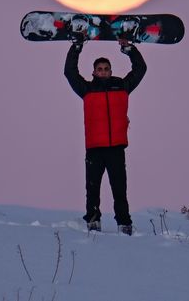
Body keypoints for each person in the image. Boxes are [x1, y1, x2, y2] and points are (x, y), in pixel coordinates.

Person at [64, 36, 147, 235]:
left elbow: (140, 69)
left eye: (106, 69)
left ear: (111, 71)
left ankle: (124, 224)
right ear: (93, 72)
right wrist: (77, 47)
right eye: (99, 69)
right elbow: (70, 72)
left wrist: (128, 49)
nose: (103, 72)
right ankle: (93, 222)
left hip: (116, 148)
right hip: (94, 149)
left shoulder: (122, 87)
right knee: (92, 190)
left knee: (119, 190)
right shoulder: (87, 89)